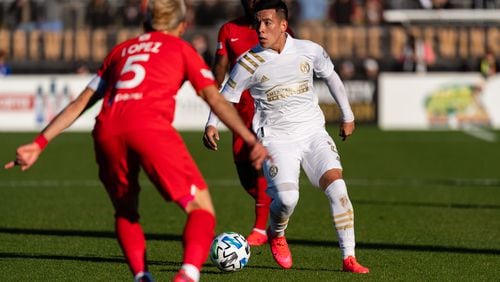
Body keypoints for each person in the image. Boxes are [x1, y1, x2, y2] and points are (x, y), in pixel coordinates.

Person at [4, 1, 268, 282]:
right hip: (149, 126)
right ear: (183, 26)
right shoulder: (181, 48)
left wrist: (39, 143)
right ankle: (187, 276)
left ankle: (142, 276)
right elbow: (214, 97)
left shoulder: (120, 51)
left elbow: (81, 102)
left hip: (107, 129)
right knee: (200, 208)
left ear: (145, 25)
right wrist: (249, 138)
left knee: (126, 211)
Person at [205, 0, 370, 273]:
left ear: (283, 25)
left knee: (338, 188)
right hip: (276, 139)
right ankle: (277, 233)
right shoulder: (248, 61)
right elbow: (226, 97)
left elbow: (332, 77)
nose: (260, 29)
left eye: (267, 23)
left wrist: (347, 115)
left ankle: (348, 257)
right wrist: (211, 124)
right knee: (287, 199)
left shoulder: (309, 50)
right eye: (258, 22)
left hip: (313, 132)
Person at [203, 0, 270, 246]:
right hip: (239, 110)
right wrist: (211, 94)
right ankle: (271, 207)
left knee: (260, 164)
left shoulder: (275, 28)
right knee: (245, 174)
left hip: (267, 109)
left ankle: (261, 229)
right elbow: (220, 68)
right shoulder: (229, 30)